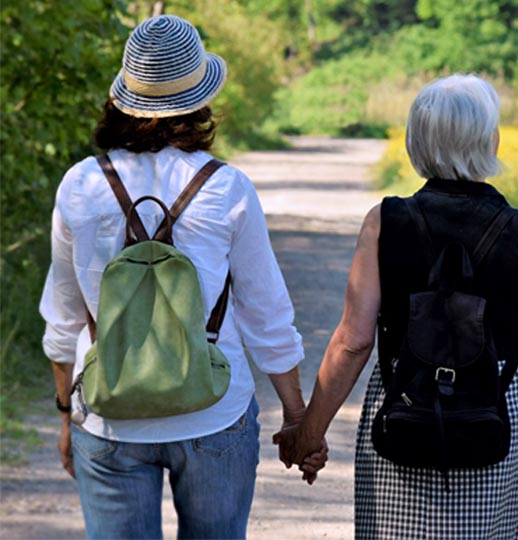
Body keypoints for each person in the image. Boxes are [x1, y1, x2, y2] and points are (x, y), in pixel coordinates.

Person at [276, 74, 518, 539]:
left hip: (405, 399)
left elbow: (352, 343)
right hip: (497, 406)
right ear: (491, 140)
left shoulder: (384, 223)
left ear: (416, 142)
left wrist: (310, 432)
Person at [40, 15, 324, 539]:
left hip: (109, 417)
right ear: (199, 100)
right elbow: (266, 316)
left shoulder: (80, 185)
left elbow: (62, 319)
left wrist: (66, 416)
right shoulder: (227, 188)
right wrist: (296, 416)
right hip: (213, 411)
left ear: (122, 99)